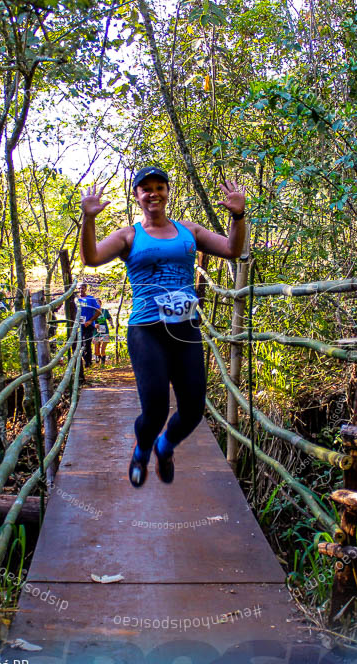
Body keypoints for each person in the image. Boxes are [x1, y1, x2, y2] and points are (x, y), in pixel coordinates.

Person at [79, 166, 246, 487]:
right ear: (137, 196)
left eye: (159, 186)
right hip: (147, 329)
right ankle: (142, 450)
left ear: (168, 192)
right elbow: (91, 258)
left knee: (194, 409)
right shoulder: (129, 236)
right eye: (146, 188)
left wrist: (238, 217)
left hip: (185, 328)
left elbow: (232, 250)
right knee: (154, 407)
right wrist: (88, 219)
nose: (153, 192)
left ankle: (164, 447)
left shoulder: (189, 231)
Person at [76, 283, 101, 368]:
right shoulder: (75, 299)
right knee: (78, 344)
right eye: (79, 288)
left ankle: (88, 363)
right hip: (77, 325)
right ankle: (81, 362)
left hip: (88, 325)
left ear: (86, 289)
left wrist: (90, 321)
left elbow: (98, 311)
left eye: (82, 288)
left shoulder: (91, 299)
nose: (80, 290)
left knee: (86, 343)